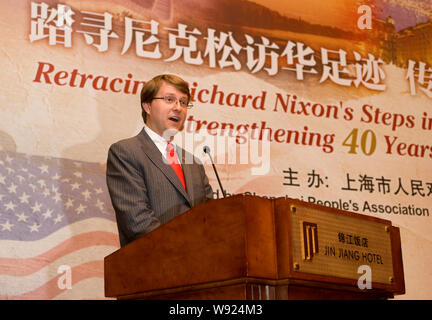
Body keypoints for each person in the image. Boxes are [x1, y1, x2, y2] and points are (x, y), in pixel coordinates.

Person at [106, 74, 213, 247]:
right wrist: (187, 248)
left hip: (200, 267)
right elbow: (138, 222)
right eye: (169, 99)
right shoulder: (126, 152)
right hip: (153, 264)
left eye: (184, 102)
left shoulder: (194, 163)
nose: (178, 108)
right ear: (147, 106)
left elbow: (211, 217)